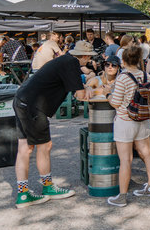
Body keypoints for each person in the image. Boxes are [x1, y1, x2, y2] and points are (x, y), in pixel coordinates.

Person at [13, 41, 96, 208]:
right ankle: (48, 187)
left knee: (25, 147)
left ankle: (23, 194)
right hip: (34, 106)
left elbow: (74, 85)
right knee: (44, 146)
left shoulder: (65, 60)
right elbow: (80, 96)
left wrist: (85, 85)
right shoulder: (72, 63)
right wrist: (92, 90)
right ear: (86, 56)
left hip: (22, 99)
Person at [88, 55, 150, 181]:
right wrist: (90, 89)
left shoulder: (123, 78)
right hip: (104, 119)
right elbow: (86, 88)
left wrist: (108, 93)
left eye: (114, 65)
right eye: (107, 65)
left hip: (126, 118)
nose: (110, 67)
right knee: (133, 148)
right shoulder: (97, 79)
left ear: (119, 67)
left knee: (138, 147)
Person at [106, 45, 150, 207]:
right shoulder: (146, 75)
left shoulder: (123, 78)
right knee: (147, 153)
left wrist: (108, 94)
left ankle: (122, 196)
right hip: (142, 119)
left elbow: (115, 103)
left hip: (125, 122)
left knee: (126, 160)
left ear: (123, 61)